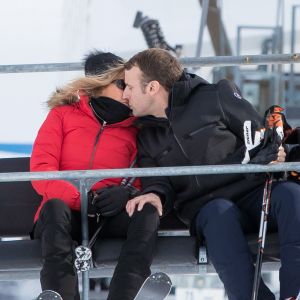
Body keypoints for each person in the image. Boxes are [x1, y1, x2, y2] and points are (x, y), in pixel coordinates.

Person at [122, 48, 300, 300]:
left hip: (253, 192)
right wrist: (154, 195)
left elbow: (259, 137)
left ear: (152, 87)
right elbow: (158, 182)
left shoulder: (214, 96)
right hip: (206, 207)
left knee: (292, 195)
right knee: (219, 217)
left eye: (129, 86)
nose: (125, 94)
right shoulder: (146, 136)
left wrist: (272, 152)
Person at [31, 52, 161, 300]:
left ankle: (126, 294)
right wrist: (81, 198)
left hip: (109, 216)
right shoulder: (63, 116)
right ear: (100, 83)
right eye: (121, 84)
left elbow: (144, 175)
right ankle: (62, 295)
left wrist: (128, 194)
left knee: (146, 210)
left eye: (130, 86)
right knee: (54, 207)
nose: (127, 93)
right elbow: (41, 171)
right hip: (65, 217)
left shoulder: (137, 128)